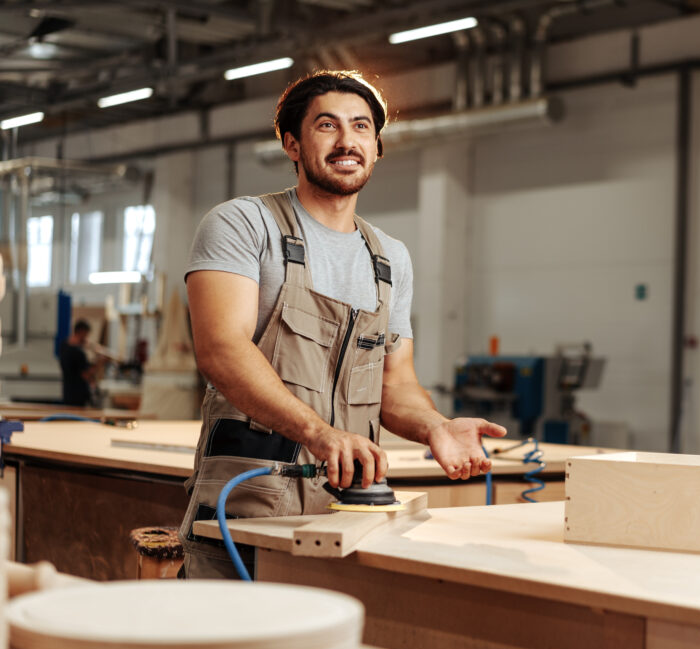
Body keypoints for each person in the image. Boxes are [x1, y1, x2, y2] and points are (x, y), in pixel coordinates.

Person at [179, 70, 506, 578]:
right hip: (251, 498)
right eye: (327, 125)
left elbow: (394, 384)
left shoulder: (389, 258)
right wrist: (320, 433)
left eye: (360, 127)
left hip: (348, 512)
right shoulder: (244, 224)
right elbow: (221, 348)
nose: (346, 140)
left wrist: (435, 426)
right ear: (292, 143)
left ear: (376, 148)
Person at [59, 320, 99, 406]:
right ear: (82, 332)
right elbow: (86, 375)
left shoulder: (64, 345)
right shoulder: (79, 353)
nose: (86, 338)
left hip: (67, 393)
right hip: (78, 395)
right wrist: (100, 363)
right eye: (86, 335)